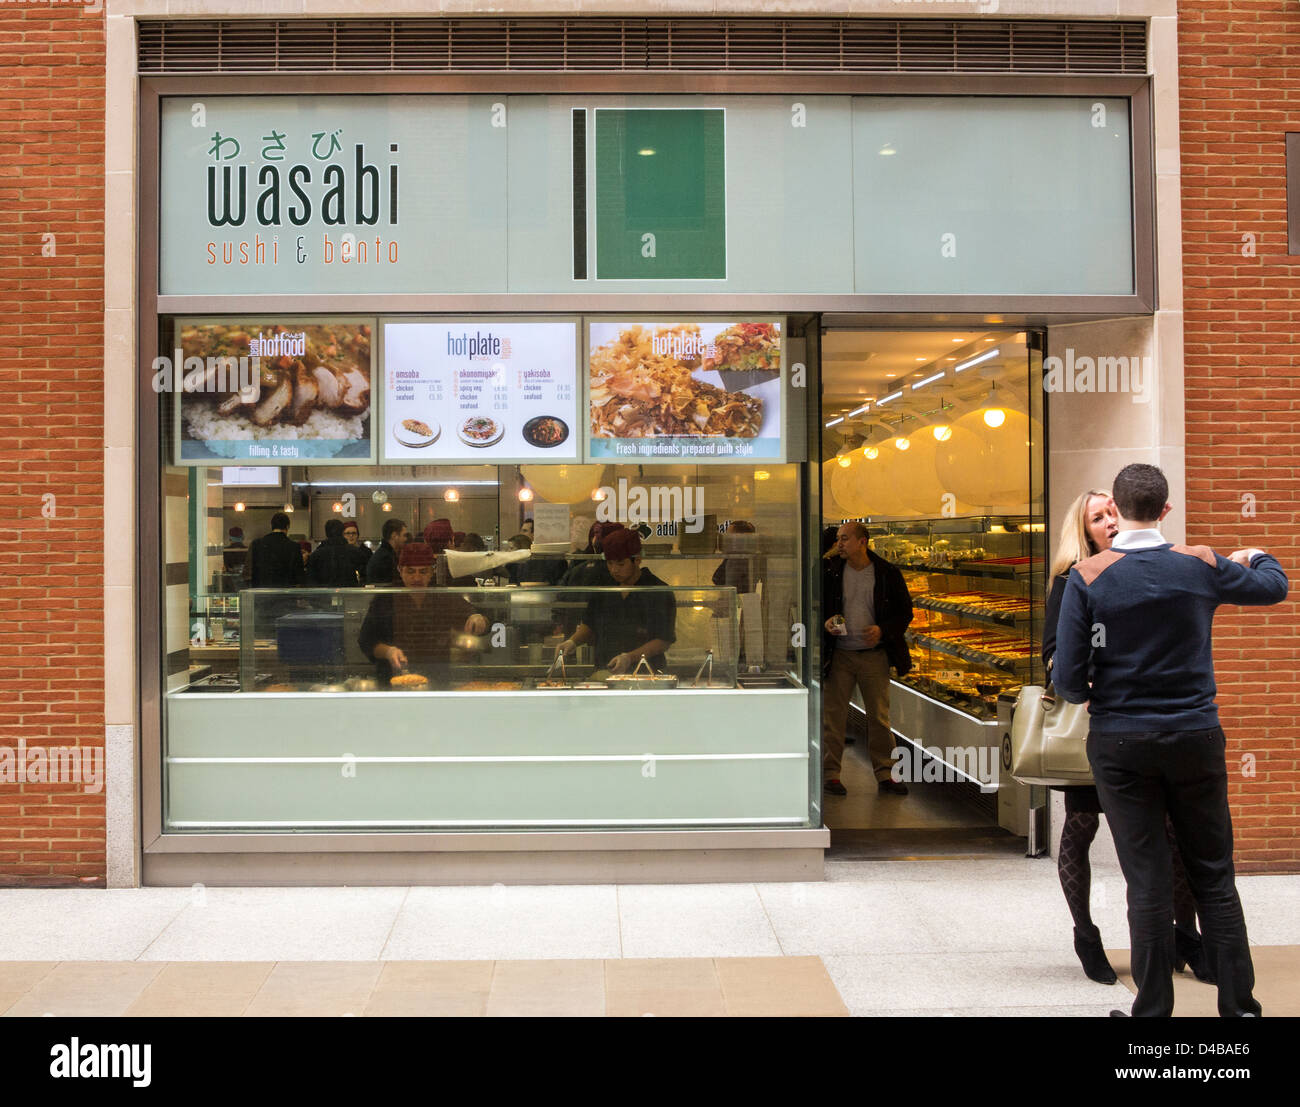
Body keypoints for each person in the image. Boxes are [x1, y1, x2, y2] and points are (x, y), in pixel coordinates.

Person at [1053, 463, 1288, 1017]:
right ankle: (1240, 1010)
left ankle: (1153, 1015)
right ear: (1165, 510)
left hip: (1120, 745)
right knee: (1214, 876)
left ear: (1121, 511)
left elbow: (1066, 679)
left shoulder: (1088, 575)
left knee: (1147, 881)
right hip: (1195, 737)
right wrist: (1256, 556)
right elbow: (1273, 588)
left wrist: (1103, 682)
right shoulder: (1201, 562)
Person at [1044, 489, 1210, 987]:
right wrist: (1088, 685)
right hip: (1096, 729)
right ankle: (1086, 935)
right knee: (1079, 828)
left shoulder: (1150, 565)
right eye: (1099, 517)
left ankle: (1185, 935)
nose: (1110, 521)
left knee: (1171, 834)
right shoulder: (1072, 579)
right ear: (1085, 529)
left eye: (1114, 511)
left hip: (1142, 725)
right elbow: (1052, 654)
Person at [821, 521, 913, 797]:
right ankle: (831, 774)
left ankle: (886, 773)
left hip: (875, 656)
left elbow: (905, 612)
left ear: (863, 541)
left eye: (845, 539)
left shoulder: (886, 573)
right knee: (834, 718)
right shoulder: (831, 571)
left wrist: (882, 630)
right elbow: (819, 605)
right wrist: (826, 622)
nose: (839, 544)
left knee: (880, 718)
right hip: (840, 655)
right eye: (838, 538)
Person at [358, 542, 488, 687]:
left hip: (437, 679)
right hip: (393, 680)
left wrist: (478, 618)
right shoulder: (386, 598)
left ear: (432, 571)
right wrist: (388, 651)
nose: (417, 578)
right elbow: (366, 640)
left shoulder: (443, 596)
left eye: (423, 571)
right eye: (411, 571)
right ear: (400, 570)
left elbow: (481, 619)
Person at [559, 528, 676, 674]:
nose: (614, 570)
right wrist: (573, 641)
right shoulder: (604, 587)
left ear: (638, 560)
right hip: (605, 671)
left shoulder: (657, 590)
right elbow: (590, 623)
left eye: (621, 564)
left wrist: (629, 658)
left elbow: (663, 640)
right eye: (610, 563)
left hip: (646, 674)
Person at [247, 512, 305, 588]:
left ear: (271, 526)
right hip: (285, 595)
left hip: (262, 594)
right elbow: (299, 577)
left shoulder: (257, 544)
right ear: (287, 527)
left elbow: (251, 573)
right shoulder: (294, 546)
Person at [307, 518, 363, 587]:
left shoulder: (316, 554)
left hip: (323, 594)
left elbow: (311, 580)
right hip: (349, 593)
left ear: (326, 533)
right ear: (342, 532)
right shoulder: (355, 552)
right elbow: (364, 577)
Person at [712, 520, 759, 595]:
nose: (725, 539)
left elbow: (730, 591)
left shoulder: (737, 560)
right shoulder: (747, 557)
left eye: (729, 535)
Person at [366, 518, 408, 586]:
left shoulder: (385, 554)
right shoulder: (385, 558)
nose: (406, 539)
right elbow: (390, 586)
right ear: (394, 535)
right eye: (404, 535)